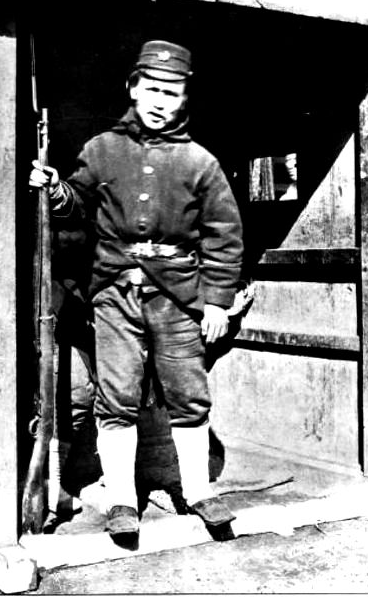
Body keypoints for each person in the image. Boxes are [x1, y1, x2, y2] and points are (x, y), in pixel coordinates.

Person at [29, 40, 243, 541]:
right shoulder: (101, 150)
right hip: (114, 294)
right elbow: (77, 206)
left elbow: (224, 236)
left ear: (184, 98)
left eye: (172, 93)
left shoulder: (200, 163)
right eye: (152, 89)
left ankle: (199, 492)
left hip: (179, 297)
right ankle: (122, 499)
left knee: (188, 393)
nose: (160, 101)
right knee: (117, 394)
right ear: (133, 88)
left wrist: (217, 301)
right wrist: (55, 189)